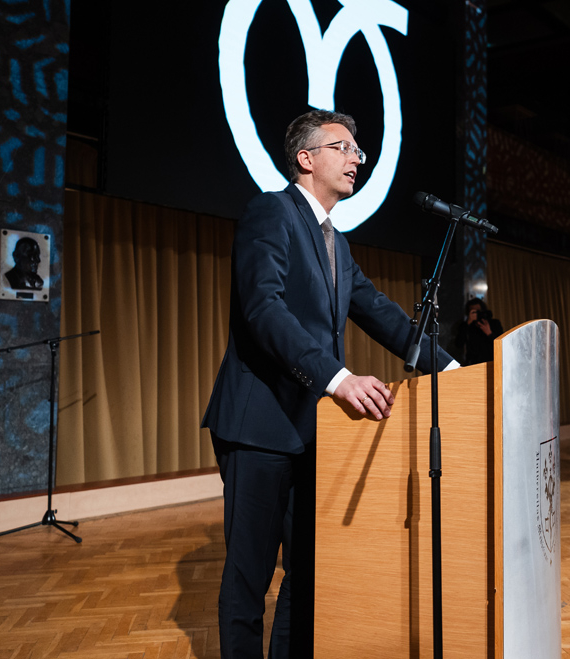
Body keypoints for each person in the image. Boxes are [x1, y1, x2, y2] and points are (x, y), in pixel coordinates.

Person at [202, 110, 457, 659]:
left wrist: (455, 369)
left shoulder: (336, 242)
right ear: (306, 158)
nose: (355, 159)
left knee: (309, 571)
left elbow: (382, 314)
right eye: (342, 148)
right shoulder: (271, 211)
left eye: (357, 151)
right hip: (258, 426)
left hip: (309, 430)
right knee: (249, 577)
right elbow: (264, 310)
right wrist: (337, 379)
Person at [453, 297, 505, 365]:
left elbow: (502, 345)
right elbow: (459, 344)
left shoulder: (494, 323)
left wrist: (489, 333)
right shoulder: (466, 325)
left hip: (492, 361)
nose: (477, 314)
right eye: (473, 312)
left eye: (478, 311)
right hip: (473, 363)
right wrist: (468, 323)